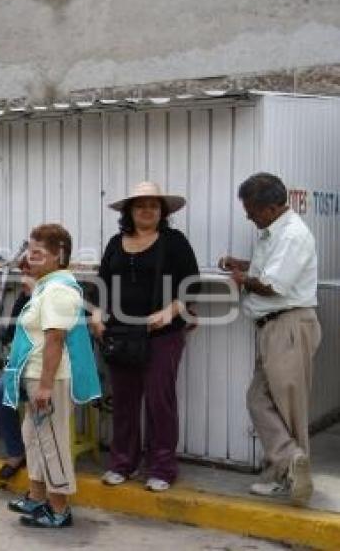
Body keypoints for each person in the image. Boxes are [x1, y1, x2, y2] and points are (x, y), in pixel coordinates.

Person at [219, 172, 321, 504]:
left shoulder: (292, 235)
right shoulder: (273, 233)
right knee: (262, 399)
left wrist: (241, 278)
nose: (247, 215)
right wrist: (243, 265)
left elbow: (274, 284)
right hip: (274, 328)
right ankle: (289, 463)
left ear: (272, 207)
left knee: (287, 405)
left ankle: (289, 469)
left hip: (288, 326)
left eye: (251, 209)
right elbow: (269, 269)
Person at [90, 181, 199, 492]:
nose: (147, 210)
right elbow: (101, 284)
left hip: (161, 334)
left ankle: (162, 467)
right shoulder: (115, 242)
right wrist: (96, 314)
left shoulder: (174, 242)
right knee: (124, 400)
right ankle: (123, 462)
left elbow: (192, 285)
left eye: (153, 205)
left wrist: (171, 311)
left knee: (158, 400)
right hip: (121, 333)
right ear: (129, 212)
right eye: (140, 205)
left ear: (162, 211)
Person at [2, 224, 102, 529]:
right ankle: (35, 497)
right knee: (32, 438)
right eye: (29, 252)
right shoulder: (46, 287)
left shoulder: (58, 290)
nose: (30, 259)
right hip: (35, 376)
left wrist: (45, 386)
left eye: (37, 253)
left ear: (58, 255)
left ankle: (59, 511)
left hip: (51, 379)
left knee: (52, 442)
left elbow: (55, 340)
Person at [0, 259, 33, 481]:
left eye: (29, 269)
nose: (24, 274)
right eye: (22, 269)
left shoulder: (58, 293)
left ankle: (43, 459)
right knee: (0, 391)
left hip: (52, 367)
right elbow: (9, 335)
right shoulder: (23, 299)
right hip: (23, 364)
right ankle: (16, 452)